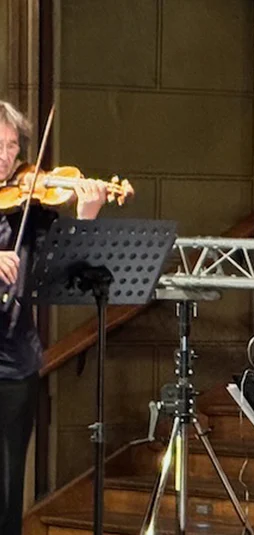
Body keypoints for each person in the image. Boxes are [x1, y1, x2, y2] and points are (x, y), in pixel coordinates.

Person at [0, 100, 108, 535]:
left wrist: (86, 216)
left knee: (7, 493)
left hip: (13, 365)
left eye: (12, 147)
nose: (7, 156)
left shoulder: (34, 206)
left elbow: (67, 270)